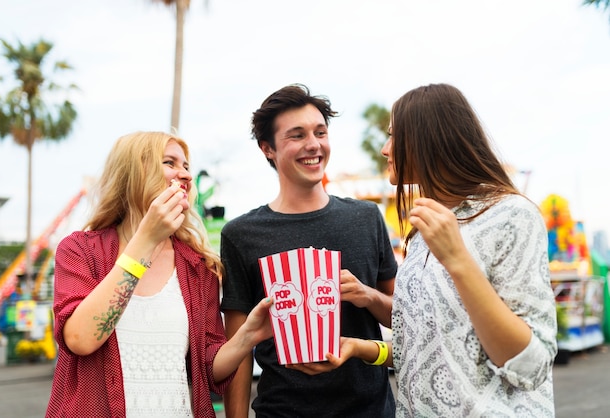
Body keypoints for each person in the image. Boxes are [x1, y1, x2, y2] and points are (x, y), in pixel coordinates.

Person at [315, 83, 558, 417]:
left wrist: (458, 260)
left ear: (429, 139)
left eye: (393, 136)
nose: (385, 149)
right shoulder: (419, 234)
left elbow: (532, 365)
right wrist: (361, 347)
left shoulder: (510, 214)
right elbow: (424, 353)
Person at [46, 131, 273, 417]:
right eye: (170, 163)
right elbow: (81, 339)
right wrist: (146, 241)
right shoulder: (79, 250)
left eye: (186, 166)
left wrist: (247, 337)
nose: (185, 176)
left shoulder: (198, 266)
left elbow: (207, 369)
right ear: (132, 173)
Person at [220, 84, 398, 417]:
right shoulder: (241, 235)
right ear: (267, 149)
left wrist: (367, 296)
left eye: (320, 132)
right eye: (297, 135)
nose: (313, 145)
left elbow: (405, 320)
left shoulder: (366, 218)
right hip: (283, 411)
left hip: (370, 410)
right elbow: (239, 350)